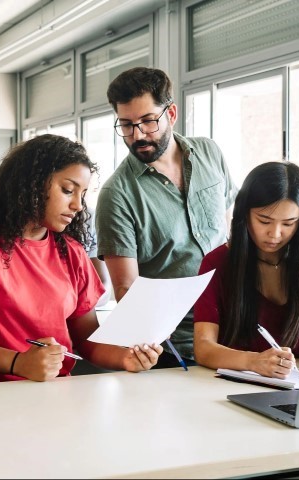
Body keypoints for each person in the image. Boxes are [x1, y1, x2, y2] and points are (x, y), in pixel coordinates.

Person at [0, 134, 163, 387]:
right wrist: (18, 362)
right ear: (33, 183)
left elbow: (87, 340)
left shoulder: (72, 253)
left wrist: (126, 357)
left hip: (47, 387)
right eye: (67, 190)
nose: (78, 205)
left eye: (82, 195)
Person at [96, 67, 237, 367]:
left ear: (171, 113)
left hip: (231, 332)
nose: (137, 135)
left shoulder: (210, 153)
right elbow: (126, 290)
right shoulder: (116, 195)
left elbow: (228, 234)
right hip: (174, 349)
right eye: (126, 125)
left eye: (148, 121)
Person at [193, 161, 299, 378]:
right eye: (264, 220)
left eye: (288, 223)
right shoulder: (217, 263)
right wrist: (254, 361)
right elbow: (203, 348)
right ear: (244, 213)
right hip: (233, 387)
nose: (275, 234)